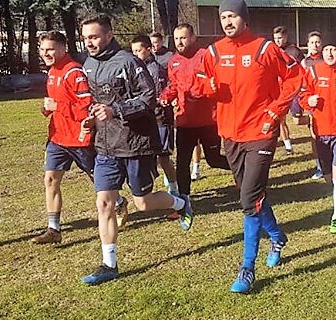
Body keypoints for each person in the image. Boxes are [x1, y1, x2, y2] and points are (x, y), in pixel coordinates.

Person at [197, 0, 302, 294]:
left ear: (244, 18)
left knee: (248, 199)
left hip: (261, 132)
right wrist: (209, 87)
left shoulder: (265, 49)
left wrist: (275, 111)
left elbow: (294, 77)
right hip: (230, 134)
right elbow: (201, 81)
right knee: (252, 196)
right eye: (224, 18)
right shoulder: (214, 52)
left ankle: (247, 267)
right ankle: (278, 236)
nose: (228, 22)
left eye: (233, 16)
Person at [78, 15, 192, 285]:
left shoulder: (129, 62)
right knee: (104, 203)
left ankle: (181, 202)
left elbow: (148, 98)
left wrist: (115, 110)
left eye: (94, 37)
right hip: (106, 146)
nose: (89, 43)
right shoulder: (89, 64)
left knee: (141, 203)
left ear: (108, 35)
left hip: (134, 143)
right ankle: (109, 263)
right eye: (85, 38)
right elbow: (97, 101)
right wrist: (92, 117)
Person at [32, 31, 94, 245]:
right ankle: (54, 229)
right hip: (58, 137)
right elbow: (57, 101)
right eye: (42, 50)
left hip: (78, 138)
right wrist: (48, 110)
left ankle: (119, 202)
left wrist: (58, 107)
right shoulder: (53, 71)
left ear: (62, 48)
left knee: (96, 178)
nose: (45, 53)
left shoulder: (74, 71)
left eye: (49, 49)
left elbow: (86, 108)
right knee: (50, 180)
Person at [158, 23, 231, 203]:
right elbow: (174, 85)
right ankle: (184, 199)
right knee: (183, 162)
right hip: (185, 120)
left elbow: (218, 82)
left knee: (213, 160)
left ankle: (243, 170)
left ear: (193, 38)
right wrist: (165, 96)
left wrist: (201, 92)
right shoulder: (173, 61)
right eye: (176, 39)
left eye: (183, 38)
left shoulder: (205, 56)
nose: (179, 42)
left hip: (208, 120)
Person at [298, 31, 336, 233]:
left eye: (333, 49)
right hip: (321, 131)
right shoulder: (313, 71)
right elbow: (303, 94)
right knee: (328, 177)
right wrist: (308, 101)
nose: (329, 53)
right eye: (326, 50)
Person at [131, 35, 179, 203]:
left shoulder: (154, 69)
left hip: (160, 119)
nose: (135, 54)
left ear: (149, 50)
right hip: (146, 120)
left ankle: (175, 190)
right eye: (133, 51)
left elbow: (155, 98)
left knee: (163, 157)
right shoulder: (137, 68)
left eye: (139, 50)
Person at [272, 25, 304, 156]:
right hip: (281, 91)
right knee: (280, 119)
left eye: (280, 38)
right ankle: (289, 147)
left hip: (295, 91)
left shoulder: (294, 51)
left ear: (286, 37)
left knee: (297, 121)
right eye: (276, 38)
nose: (278, 41)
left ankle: (312, 121)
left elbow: (303, 68)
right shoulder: (273, 50)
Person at [301, 31, 325, 180]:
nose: (315, 45)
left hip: (328, 103)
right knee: (315, 136)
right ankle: (319, 166)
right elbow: (302, 85)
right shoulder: (304, 63)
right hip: (313, 104)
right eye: (312, 42)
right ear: (307, 45)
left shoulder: (327, 59)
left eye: (317, 42)